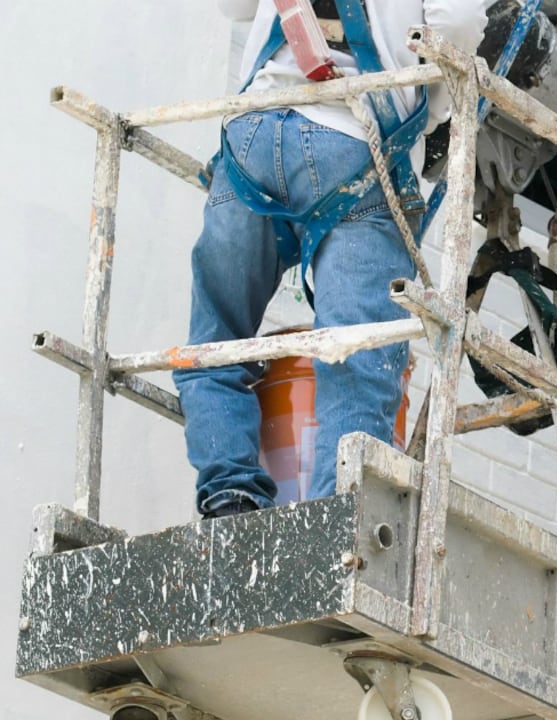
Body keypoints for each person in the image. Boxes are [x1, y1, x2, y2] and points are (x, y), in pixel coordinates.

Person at [175, 0, 487, 519]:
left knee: (217, 338)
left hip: (253, 131)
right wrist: (429, 106)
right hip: (355, 134)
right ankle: (332, 522)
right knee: (354, 355)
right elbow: (457, 24)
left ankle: (230, 494)